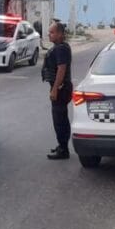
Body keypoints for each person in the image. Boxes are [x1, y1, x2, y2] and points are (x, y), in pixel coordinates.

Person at [42, 21, 73, 160]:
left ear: (60, 34)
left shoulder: (61, 49)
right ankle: (62, 146)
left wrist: (55, 89)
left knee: (59, 120)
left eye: (52, 32)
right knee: (61, 118)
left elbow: (61, 69)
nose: (49, 34)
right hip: (61, 87)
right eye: (49, 32)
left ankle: (63, 150)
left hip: (61, 88)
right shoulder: (60, 47)